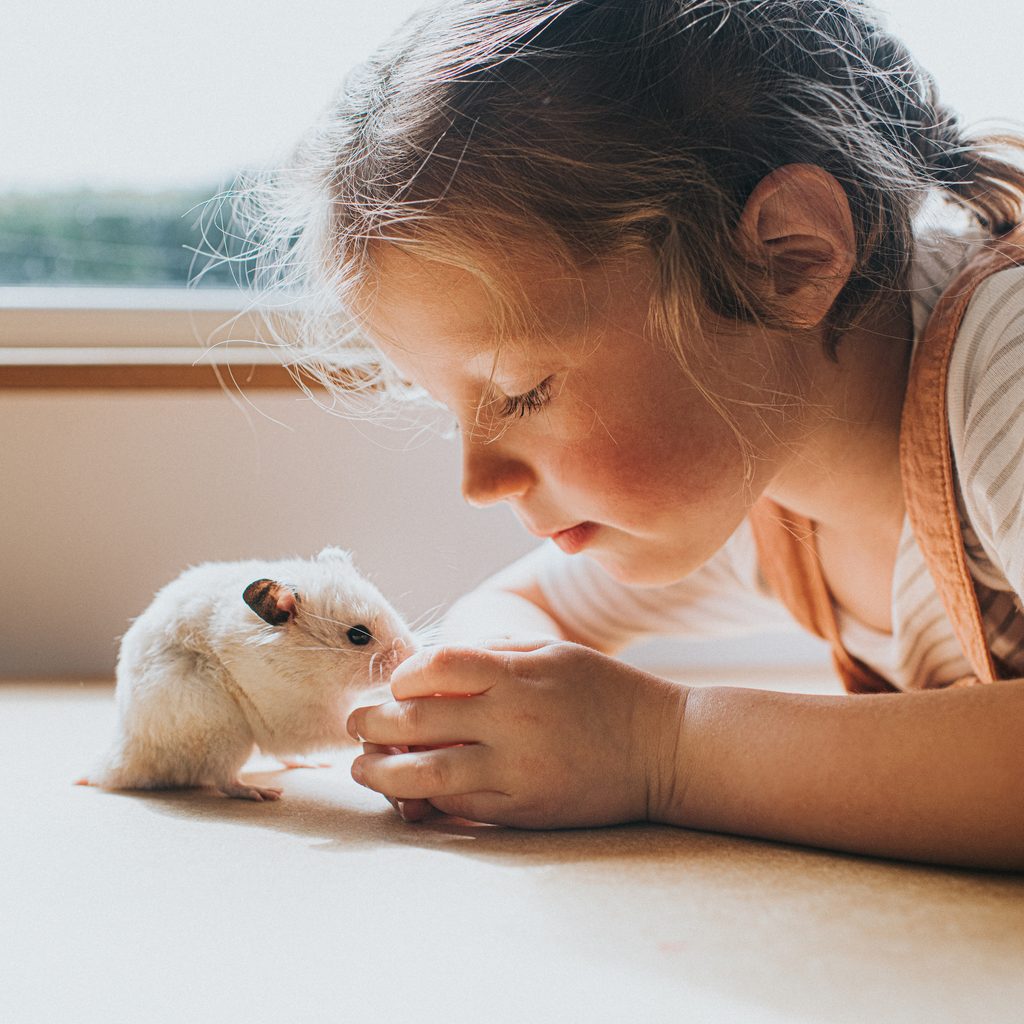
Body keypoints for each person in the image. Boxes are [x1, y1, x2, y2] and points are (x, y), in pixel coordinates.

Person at [242, 0, 1024, 868]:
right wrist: (496, 703)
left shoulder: (1006, 360)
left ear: (788, 258)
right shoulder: (762, 475)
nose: (480, 478)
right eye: (450, 411)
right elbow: (526, 610)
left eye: (522, 392)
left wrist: (664, 748)